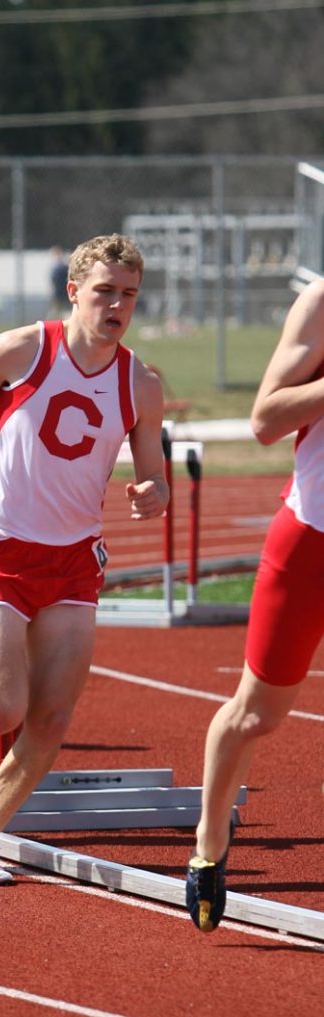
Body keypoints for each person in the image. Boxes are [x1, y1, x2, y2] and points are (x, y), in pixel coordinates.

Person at [0, 233, 168, 885]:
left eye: (127, 295)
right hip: (2, 549)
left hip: (74, 560)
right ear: (73, 290)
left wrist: (150, 491)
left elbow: (154, 474)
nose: (116, 306)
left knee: (50, 717)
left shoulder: (139, 381)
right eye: (104, 291)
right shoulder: (25, 348)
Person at [185, 279, 324, 932]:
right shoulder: (321, 301)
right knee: (255, 714)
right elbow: (265, 420)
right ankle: (208, 851)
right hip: (311, 541)